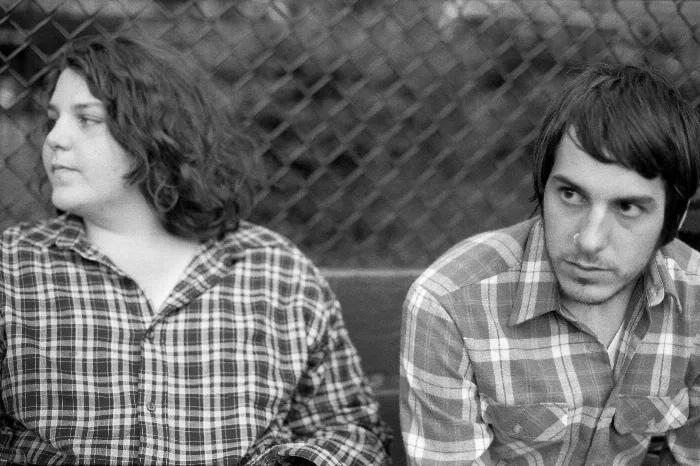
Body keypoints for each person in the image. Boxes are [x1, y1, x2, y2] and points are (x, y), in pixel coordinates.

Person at [0, 33, 392, 465]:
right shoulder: (15, 270)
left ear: (152, 133)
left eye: (86, 119)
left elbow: (352, 430)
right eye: (53, 119)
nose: (54, 138)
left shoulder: (273, 271)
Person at [400, 63, 700, 465]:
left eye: (627, 207)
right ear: (544, 188)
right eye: (571, 195)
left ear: (674, 221)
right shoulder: (449, 305)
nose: (589, 241)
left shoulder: (694, 298)